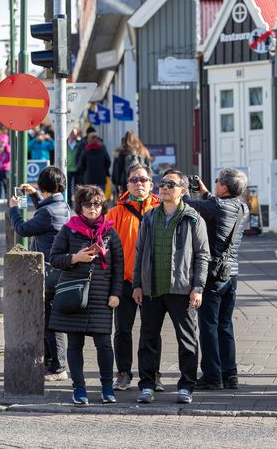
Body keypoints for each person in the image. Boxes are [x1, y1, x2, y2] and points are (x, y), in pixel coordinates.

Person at [132, 171, 210, 404]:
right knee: (147, 340)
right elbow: (139, 253)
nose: (164, 188)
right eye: (162, 184)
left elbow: (203, 256)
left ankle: (186, 386)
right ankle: (147, 385)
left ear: (182, 191)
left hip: (182, 290)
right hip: (152, 289)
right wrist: (137, 284)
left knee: (187, 341)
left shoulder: (193, 218)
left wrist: (198, 287)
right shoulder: (150, 217)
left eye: (170, 184)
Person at [48, 185, 124, 405]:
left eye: (97, 204)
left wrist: (116, 294)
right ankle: (79, 389)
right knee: (74, 345)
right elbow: (54, 258)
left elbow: (118, 267)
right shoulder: (69, 230)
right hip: (75, 296)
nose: (93, 209)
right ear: (79, 206)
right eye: (88, 204)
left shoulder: (110, 232)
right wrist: (75, 258)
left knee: (104, 344)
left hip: (101, 297)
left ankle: (107, 387)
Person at [184, 168, 249, 391]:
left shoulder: (217, 206)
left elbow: (188, 205)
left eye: (217, 181)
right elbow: (215, 206)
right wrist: (205, 193)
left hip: (212, 275)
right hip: (231, 273)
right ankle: (230, 374)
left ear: (224, 187)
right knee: (225, 325)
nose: (215, 184)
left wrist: (181, 189)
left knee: (208, 326)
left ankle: (212, 375)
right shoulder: (242, 207)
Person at [105, 164, 166, 392]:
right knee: (122, 330)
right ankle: (123, 373)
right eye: (134, 180)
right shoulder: (115, 213)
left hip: (153, 281)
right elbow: (105, 247)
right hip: (125, 281)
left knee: (151, 331)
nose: (138, 183)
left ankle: (153, 375)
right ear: (126, 185)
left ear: (151, 184)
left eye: (143, 180)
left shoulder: (162, 209)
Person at [8, 166, 70, 381]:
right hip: (60, 270)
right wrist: (34, 194)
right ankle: (55, 364)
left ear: (43, 185)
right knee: (52, 319)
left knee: (49, 321)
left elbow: (24, 229)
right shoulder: (63, 205)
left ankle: (58, 367)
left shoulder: (47, 212)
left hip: (48, 272)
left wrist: (14, 209)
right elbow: (45, 214)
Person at [112, 131, 152, 195]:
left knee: (126, 202)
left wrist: (116, 183)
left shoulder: (122, 152)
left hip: (126, 182)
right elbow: (149, 168)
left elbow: (117, 169)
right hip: (141, 181)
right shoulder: (143, 151)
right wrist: (148, 181)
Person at [66, 127, 81, 204]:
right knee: (67, 186)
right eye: (70, 133)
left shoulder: (78, 144)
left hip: (77, 169)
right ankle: (69, 201)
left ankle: (77, 202)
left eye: (73, 134)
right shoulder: (64, 143)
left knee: (77, 187)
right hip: (67, 168)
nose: (71, 135)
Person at [0, 133, 10, 203]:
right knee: (0, 183)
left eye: (2, 140)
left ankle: (6, 197)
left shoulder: (7, 147)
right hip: (0, 168)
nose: (1, 142)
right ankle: (0, 197)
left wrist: (4, 163)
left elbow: (9, 156)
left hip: (6, 168)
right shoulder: (0, 148)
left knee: (5, 183)